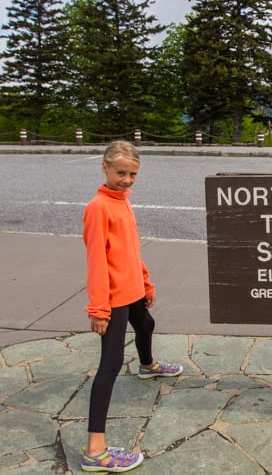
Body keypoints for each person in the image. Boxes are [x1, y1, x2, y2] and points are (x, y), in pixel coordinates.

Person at [80, 140, 183, 473]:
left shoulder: (122, 201)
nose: (126, 179)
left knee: (147, 325)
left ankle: (148, 365)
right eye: (120, 172)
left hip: (132, 289)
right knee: (109, 365)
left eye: (132, 174)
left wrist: (145, 281)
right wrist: (98, 309)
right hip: (113, 298)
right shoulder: (98, 208)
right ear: (105, 168)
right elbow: (97, 261)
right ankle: (95, 449)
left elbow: (130, 249)